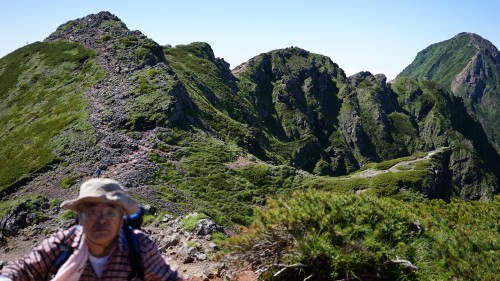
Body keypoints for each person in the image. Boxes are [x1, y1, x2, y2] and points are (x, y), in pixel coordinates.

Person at [0, 178, 182, 281]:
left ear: (121, 218)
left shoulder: (138, 246)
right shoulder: (63, 244)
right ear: (79, 216)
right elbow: (22, 269)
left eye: (111, 212)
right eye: (92, 211)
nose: (101, 220)